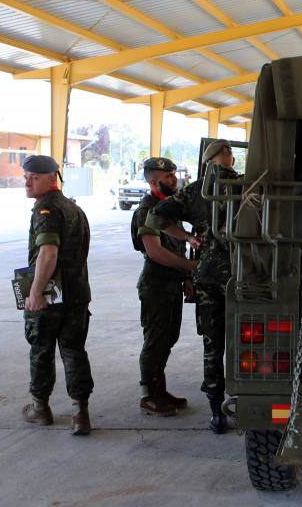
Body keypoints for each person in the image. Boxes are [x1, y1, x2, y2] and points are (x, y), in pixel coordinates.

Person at [146, 140, 239, 433]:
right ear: (228, 158)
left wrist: (188, 237)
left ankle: (216, 413)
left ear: (207, 160)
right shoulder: (249, 186)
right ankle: (246, 402)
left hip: (208, 276)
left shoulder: (196, 189)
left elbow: (156, 217)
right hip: (243, 276)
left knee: (213, 346)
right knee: (246, 344)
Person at [21, 155, 94, 435]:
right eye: (26, 176)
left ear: (52, 178)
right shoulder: (74, 208)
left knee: (41, 350)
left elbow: (48, 253)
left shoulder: (46, 210)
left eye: (34, 177)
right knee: (74, 351)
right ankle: (80, 414)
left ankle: (40, 409)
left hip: (52, 296)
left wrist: (36, 291)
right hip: (77, 294)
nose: (28, 181)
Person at [131, 157, 198, 416]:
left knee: (168, 338)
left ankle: (160, 390)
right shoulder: (147, 210)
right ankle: (149, 395)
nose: (174, 179)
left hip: (171, 283)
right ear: (153, 180)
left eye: (173, 174)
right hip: (155, 284)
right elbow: (156, 253)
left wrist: (186, 276)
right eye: (168, 176)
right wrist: (192, 268)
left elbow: (176, 237)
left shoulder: (167, 208)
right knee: (155, 340)